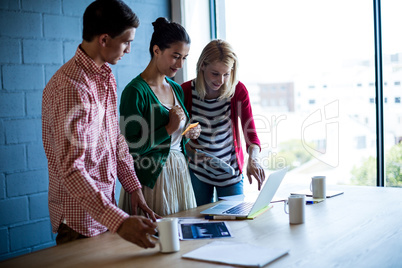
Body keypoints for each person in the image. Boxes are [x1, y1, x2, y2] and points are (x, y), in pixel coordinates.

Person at [42, 0, 159, 248]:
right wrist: (120, 221)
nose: (128, 50)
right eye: (127, 41)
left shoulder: (106, 78)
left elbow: (114, 138)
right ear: (104, 40)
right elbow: (72, 170)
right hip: (79, 223)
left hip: (107, 213)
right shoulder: (70, 88)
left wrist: (133, 187)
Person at [119, 17, 200, 216]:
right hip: (152, 179)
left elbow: (176, 134)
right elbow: (131, 148)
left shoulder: (175, 89)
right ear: (156, 50)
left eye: (184, 58)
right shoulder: (135, 91)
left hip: (179, 173)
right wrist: (168, 129)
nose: (180, 64)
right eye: (175, 56)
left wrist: (188, 130)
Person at [181, 39, 266, 206]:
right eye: (215, 73)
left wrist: (253, 159)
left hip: (230, 171)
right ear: (202, 66)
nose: (220, 80)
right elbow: (178, 135)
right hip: (198, 171)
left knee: (233, 220)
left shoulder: (238, 90)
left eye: (226, 74)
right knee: (198, 221)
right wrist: (187, 140)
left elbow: (251, 135)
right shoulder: (185, 91)